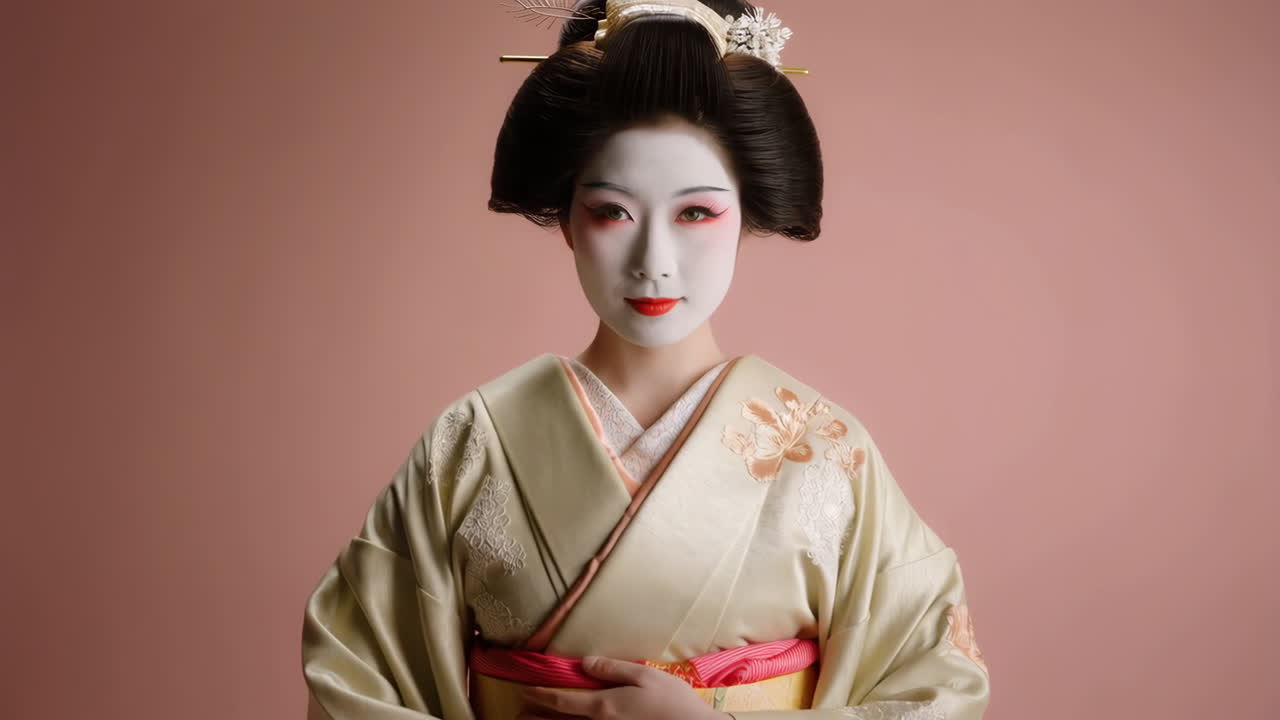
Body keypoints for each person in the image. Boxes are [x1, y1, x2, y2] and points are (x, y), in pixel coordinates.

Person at [300, 2, 992, 718]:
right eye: (611, 212)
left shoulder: (826, 451)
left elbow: (935, 685)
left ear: (749, 216)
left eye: (696, 213)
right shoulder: (471, 443)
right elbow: (358, 677)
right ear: (566, 221)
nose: (654, 263)